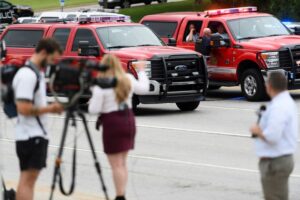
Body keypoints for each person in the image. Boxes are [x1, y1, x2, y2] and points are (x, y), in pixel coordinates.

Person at [88, 54, 149, 200]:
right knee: (122, 162)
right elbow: (143, 89)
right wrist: (141, 71)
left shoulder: (101, 84)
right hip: (128, 120)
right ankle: (122, 193)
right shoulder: (127, 79)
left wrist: (91, 99)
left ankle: (120, 196)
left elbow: (94, 109)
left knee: (116, 165)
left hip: (112, 122)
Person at [12, 38, 64, 200]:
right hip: (31, 136)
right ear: (43, 52)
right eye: (51, 59)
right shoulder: (28, 75)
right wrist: (51, 108)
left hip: (32, 134)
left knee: (27, 180)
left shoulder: (35, 74)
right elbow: (23, 108)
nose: (51, 64)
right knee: (28, 181)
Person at [250, 71, 298, 200]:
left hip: (275, 163)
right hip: (281, 160)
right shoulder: (285, 101)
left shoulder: (279, 107)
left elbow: (272, 136)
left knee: (274, 197)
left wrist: (257, 131)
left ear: (269, 85)